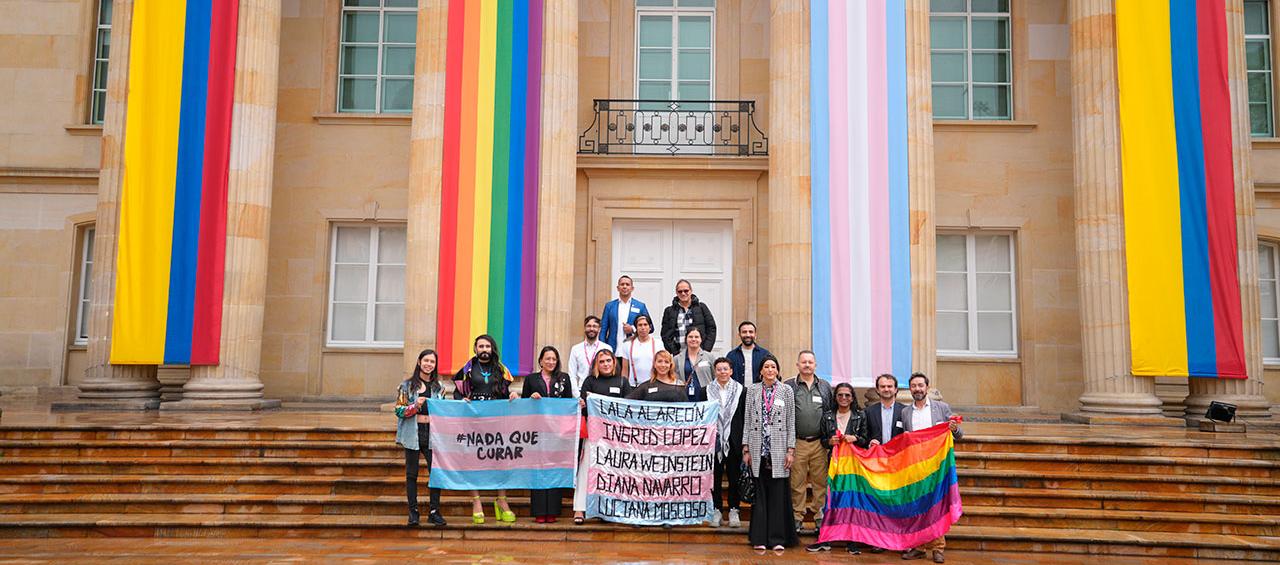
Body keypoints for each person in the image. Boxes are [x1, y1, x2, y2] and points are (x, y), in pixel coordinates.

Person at [452, 334, 520, 524]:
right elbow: (458, 392)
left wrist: (513, 394)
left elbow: (506, 391)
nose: (484, 350)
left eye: (487, 346)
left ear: (492, 349)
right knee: (473, 461)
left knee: (501, 460)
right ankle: (477, 501)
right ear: (475, 349)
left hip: (497, 421)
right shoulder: (467, 368)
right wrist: (461, 399)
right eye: (481, 346)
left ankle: (501, 500)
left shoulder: (501, 369)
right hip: (473, 421)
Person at [901, 373, 962, 564]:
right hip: (914, 466)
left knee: (936, 506)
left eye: (920, 385)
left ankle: (938, 548)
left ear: (927, 387)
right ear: (910, 389)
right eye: (913, 386)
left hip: (937, 467)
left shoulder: (941, 408)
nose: (917, 389)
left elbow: (959, 435)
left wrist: (953, 428)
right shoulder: (905, 413)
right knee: (917, 506)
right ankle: (918, 547)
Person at [743, 355, 798, 551]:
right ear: (760, 371)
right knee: (760, 496)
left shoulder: (786, 390)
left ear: (777, 370)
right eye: (766, 367)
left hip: (779, 449)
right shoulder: (752, 390)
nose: (769, 370)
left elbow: (791, 421)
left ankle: (777, 538)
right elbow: (747, 420)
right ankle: (759, 537)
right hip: (758, 448)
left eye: (773, 366)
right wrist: (745, 447)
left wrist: (791, 450)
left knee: (777, 495)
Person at [807, 382, 868, 554]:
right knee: (830, 499)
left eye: (847, 395)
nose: (843, 398)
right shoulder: (827, 416)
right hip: (832, 463)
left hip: (852, 465)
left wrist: (855, 438)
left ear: (852, 398)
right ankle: (826, 539)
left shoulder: (860, 416)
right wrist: (829, 442)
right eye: (840, 395)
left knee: (852, 501)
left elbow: (865, 439)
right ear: (835, 397)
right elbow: (823, 440)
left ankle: (852, 540)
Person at [574, 349, 631, 524]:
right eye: (602, 361)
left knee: (614, 472)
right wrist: (582, 403)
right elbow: (583, 408)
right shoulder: (590, 381)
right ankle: (579, 508)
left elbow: (629, 407)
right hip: (593, 433)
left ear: (614, 362)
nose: (606, 364)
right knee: (586, 470)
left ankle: (611, 508)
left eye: (608, 360)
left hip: (615, 436)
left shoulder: (623, 381)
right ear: (596, 365)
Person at [394, 349, 448, 527]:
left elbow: (445, 410)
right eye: (426, 360)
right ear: (419, 362)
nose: (428, 364)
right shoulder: (407, 386)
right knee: (412, 474)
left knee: (436, 473)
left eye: (432, 362)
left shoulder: (439, 387)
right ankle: (413, 511)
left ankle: (434, 511)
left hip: (433, 434)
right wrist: (415, 405)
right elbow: (399, 411)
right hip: (413, 433)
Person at [522, 346, 574, 524]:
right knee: (538, 471)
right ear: (541, 361)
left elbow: (568, 403)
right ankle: (538, 511)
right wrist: (531, 398)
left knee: (554, 470)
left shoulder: (564, 378)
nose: (551, 362)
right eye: (548, 359)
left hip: (557, 433)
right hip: (537, 432)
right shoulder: (530, 379)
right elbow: (523, 404)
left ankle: (552, 511)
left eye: (554, 359)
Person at [786, 350, 835, 537]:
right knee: (796, 483)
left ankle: (819, 517)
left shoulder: (824, 387)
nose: (807, 365)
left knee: (820, 483)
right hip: (797, 442)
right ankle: (797, 517)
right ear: (797, 365)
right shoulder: (789, 386)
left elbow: (829, 413)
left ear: (815, 365)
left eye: (810, 362)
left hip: (819, 444)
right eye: (803, 362)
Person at [862, 373, 908, 553]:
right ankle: (879, 540)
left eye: (890, 386)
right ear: (878, 389)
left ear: (896, 389)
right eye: (883, 386)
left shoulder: (905, 411)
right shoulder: (869, 412)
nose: (886, 389)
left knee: (899, 502)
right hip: (877, 465)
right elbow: (864, 436)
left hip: (900, 465)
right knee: (879, 502)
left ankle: (900, 539)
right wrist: (869, 443)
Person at [706, 357, 745, 528]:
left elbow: (745, 417)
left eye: (725, 369)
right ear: (715, 372)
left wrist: (744, 444)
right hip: (712, 441)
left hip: (733, 441)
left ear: (731, 371)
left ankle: (734, 510)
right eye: (719, 369)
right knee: (714, 478)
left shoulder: (741, 391)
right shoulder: (705, 390)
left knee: (734, 478)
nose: (722, 372)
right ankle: (716, 510)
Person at [660, 279, 717, 354]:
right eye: (680, 291)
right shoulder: (669, 311)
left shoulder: (701, 307)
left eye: (686, 291)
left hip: (700, 353)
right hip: (679, 354)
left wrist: (705, 350)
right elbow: (665, 334)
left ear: (691, 291)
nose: (683, 293)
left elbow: (711, 329)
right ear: (676, 292)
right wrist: (674, 351)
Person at [600, 275, 651, 350]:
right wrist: (603, 348)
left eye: (627, 284)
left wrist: (633, 329)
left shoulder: (640, 306)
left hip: (633, 349)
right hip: (613, 350)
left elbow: (651, 327)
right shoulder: (609, 306)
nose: (624, 286)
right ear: (618, 288)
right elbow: (603, 330)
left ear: (632, 288)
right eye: (622, 284)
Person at [567, 316, 612, 395]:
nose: (591, 329)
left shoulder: (606, 348)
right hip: (581, 391)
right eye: (589, 326)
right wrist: (577, 396)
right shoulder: (575, 349)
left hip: (601, 391)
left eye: (595, 326)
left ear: (599, 329)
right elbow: (572, 375)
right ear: (584, 328)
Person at [618, 314, 664, 387]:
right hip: (634, 385)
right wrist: (623, 386)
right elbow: (625, 370)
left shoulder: (658, 343)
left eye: (645, 325)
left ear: (650, 327)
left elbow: (663, 366)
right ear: (636, 327)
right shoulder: (627, 345)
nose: (643, 328)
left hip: (654, 385)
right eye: (640, 325)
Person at [726, 320, 772, 386]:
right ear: (739, 334)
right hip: (738, 394)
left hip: (759, 394)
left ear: (755, 334)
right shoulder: (731, 355)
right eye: (744, 332)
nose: (748, 335)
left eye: (751, 332)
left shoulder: (765, 354)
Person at [676, 327, 714, 402]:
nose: (693, 339)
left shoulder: (709, 357)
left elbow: (715, 377)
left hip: (705, 398)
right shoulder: (677, 359)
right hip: (684, 398)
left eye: (696, 337)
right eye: (690, 337)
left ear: (701, 339)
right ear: (686, 339)